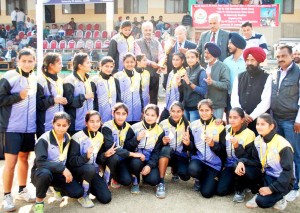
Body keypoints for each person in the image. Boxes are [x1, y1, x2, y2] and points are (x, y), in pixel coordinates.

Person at [0, 48, 37, 212]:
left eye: (30, 61)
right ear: (17, 61)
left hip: (29, 128)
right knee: (10, 162)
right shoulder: (9, 77)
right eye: (24, 61)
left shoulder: (35, 78)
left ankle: (22, 189)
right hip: (11, 127)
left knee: (25, 158)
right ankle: (7, 195)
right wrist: (18, 96)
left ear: (35, 62)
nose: (27, 64)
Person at [235, 113, 294, 210]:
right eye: (258, 124)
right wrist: (241, 161)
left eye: (263, 124)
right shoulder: (258, 140)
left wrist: (272, 189)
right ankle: (260, 192)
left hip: (283, 180)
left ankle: (280, 197)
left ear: (271, 126)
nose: (259, 127)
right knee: (238, 165)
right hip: (267, 174)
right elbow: (255, 161)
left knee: (262, 202)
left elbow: (288, 171)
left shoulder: (283, 145)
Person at [31, 112, 84, 213]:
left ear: (69, 125)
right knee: (45, 174)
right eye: (58, 125)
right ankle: (39, 203)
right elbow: (40, 162)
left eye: (64, 125)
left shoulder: (68, 137)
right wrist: (63, 168)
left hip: (59, 173)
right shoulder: (44, 139)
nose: (61, 128)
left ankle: (57, 188)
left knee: (78, 192)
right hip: (41, 172)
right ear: (53, 124)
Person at [271, 45, 300, 202]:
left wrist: (298, 120)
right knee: (280, 154)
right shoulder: (275, 73)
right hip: (276, 119)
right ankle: (283, 182)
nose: (280, 59)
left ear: (290, 56)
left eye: (283, 56)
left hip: (291, 121)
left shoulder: (298, 73)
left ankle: (295, 187)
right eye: (277, 56)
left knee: (294, 154)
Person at [68, 111, 112, 208]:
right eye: (92, 121)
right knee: (89, 169)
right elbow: (71, 161)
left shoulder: (100, 136)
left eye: (97, 121)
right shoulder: (77, 137)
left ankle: (88, 185)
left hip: (92, 172)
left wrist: (105, 155)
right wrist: (86, 156)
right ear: (86, 123)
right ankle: (84, 195)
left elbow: (98, 160)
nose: (95, 124)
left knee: (106, 198)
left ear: (101, 122)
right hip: (78, 171)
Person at [188, 99, 226, 198]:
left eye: (207, 110)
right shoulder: (193, 125)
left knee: (207, 193)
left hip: (214, 164)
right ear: (198, 110)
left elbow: (224, 150)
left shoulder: (220, 126)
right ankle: (198, 178)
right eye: (201, 110)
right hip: (199, 160)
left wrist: (213, 145)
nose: (204, 113)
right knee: (192, 169)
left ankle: (209, 178)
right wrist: (188, 144)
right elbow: (192, 148)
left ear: (212, 111)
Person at [101, 103, 145, 188]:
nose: (120, 117)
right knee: (114, 157)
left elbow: (129, 146)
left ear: (127, 115)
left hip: (122, 158)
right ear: (113, 113)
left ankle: (115, 175)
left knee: (126, 181)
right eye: (118, 113)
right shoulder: (107, 126)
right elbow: (111, 148)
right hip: (109, 158)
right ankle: (106, 179)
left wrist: (136, 139)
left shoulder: (129, 128)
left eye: (123, 114)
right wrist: (133, 154)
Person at [216, 107, 255, 199]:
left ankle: (241, 189)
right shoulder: (226, 130)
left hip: (243, 164)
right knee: (221, 191)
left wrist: (237, 146)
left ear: (242, 120)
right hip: (229, 165)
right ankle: (234, 182)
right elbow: (221, 149)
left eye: (235, 117)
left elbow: (248, 157)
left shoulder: (249, 134)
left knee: (238, 165)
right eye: (230, 117)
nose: (232, 120)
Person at [231, 47, 271, 135]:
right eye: (247, 60)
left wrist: (251, 117)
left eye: (252, 60)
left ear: (259, 61)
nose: (249, 63)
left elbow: (266, 101)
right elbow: (234, 98)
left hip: (259, 121)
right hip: (241, 119)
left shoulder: (267, 77)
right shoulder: (239, 76)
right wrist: (242, 114)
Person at [158, 101, 190, 198]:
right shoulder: (163, 124)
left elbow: (191, 146)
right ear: (170, 112)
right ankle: (161, 182)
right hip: (167, 154)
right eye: (173, 111)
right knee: (165, 150)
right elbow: (156, 144)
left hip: (181, 154)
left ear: (183, 112)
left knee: (185, 176)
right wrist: (162, 142)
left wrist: (187, 143)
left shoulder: (187, 124)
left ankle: (175, 170)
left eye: (178, 111)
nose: (175, 114)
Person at [130, 104, 163, 195]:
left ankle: (145, 176)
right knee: (135, 163)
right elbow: (128, 146)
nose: (149, 117)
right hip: (136, 157)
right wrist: (136, 139)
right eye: (147, 114)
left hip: (150, 158)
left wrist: (150, 165)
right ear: (143, 114)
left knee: (153, 180)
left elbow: (157, 151)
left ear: (157, 116)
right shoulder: (134, 127)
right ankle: (135, 181)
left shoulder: (160, 130)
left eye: (153, 115)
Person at [37, 52, 67, 138]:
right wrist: (54, 100)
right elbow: (38, 104)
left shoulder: (60, 80)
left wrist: (64, 101)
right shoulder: (40, 80)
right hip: (45, 124)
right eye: (59, 63)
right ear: (51, 65)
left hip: (59, 124)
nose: (62, 65)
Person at [63, 53, 95, 135]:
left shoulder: (88, 79)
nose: (90, 65)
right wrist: (84, 97)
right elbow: (68, 102)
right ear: (80, 66)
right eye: (88, 63)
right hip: (76, 125)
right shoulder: (69, 80)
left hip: (88, 124)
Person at [135, 21, 165, 105]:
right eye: (146, 30)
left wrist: (161, 63)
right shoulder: (137, 42)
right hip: (142, 74)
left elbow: (161, 55)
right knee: (142, 97)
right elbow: (139, 56)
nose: (148, 32)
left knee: (154, 98)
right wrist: (151, 63)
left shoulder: (157, 42)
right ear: (142, 30)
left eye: (149, 30)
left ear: (153, 31)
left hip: (155, 74)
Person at [163, 25, 197, 89]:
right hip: (173, 75)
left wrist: (187, 53)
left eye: (180, 34)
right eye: (176, 34)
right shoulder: (170, 47)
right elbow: (167, 62)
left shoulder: (193, 46)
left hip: (187, 76)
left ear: (185, 34)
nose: (178, 36)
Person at [203, 42, 230, 122]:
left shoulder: (223, 67)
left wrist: (212, 82)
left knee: (216, 129)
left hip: (218, 104)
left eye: (208, 53)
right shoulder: (205, 66)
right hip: (206, 104)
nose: (205, 55)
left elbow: (227, 85)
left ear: (214, 54)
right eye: (205, 52)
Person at [223, 32, 247, 119]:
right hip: (230, 97)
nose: (228, 45)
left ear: (238, 44)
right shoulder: (226, 61)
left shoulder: (247, 61)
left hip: (245, 97)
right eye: (228, 43)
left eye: (231, 43)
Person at [114, 53, 143, 124]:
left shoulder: (138, 75)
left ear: (135, 62)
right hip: (124, 109)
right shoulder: (118, 76)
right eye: (127, 62)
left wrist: (142, 108)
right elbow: (117, 94)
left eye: (132, 62)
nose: (129, 64)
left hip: (137, 109)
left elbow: (140, 93)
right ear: (123, 63)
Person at [92, 56, 121, 123]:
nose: (109, 69)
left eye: (111, 67)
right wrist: (95, 116)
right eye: (106, 66)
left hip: (113, 117)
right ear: (101, 66)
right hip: (100, 117)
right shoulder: (94, 80)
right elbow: (93, 101)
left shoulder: (115, 80)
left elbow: (118, 99)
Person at [181, 50, 207, 122]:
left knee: (194, 130)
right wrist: (179, 83)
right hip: (186, 106)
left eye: (192, 57)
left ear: (197, 58)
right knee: (187, 130)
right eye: (188, 57)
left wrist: (189, 83)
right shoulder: (187, 70)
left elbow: (203, 91)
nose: (190, 59)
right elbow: (185, 88)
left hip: (195, 107)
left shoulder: (202, 71)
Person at [160, 52, 186, 122]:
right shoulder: (172, 72)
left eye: (177, 60)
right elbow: (166, 87)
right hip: (168, 105)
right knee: (161, 123)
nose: (175, 62)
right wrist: (165, 74)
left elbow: (184, 91)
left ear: (182, 61)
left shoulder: (184, 72)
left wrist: (180, 83)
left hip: (177, 107)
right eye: (173, 59)